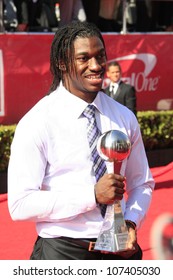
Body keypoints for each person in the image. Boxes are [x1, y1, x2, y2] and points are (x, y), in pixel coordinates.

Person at [8, 21, 155, 260]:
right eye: (83, 58)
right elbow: (20, 203)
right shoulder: (37, 122)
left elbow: (142, 183)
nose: (96, 66)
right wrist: (92, 196)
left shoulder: (124, 117)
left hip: (121, 254)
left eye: (100, 56)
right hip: (63, 254)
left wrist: (130, 222)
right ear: (62, 63)